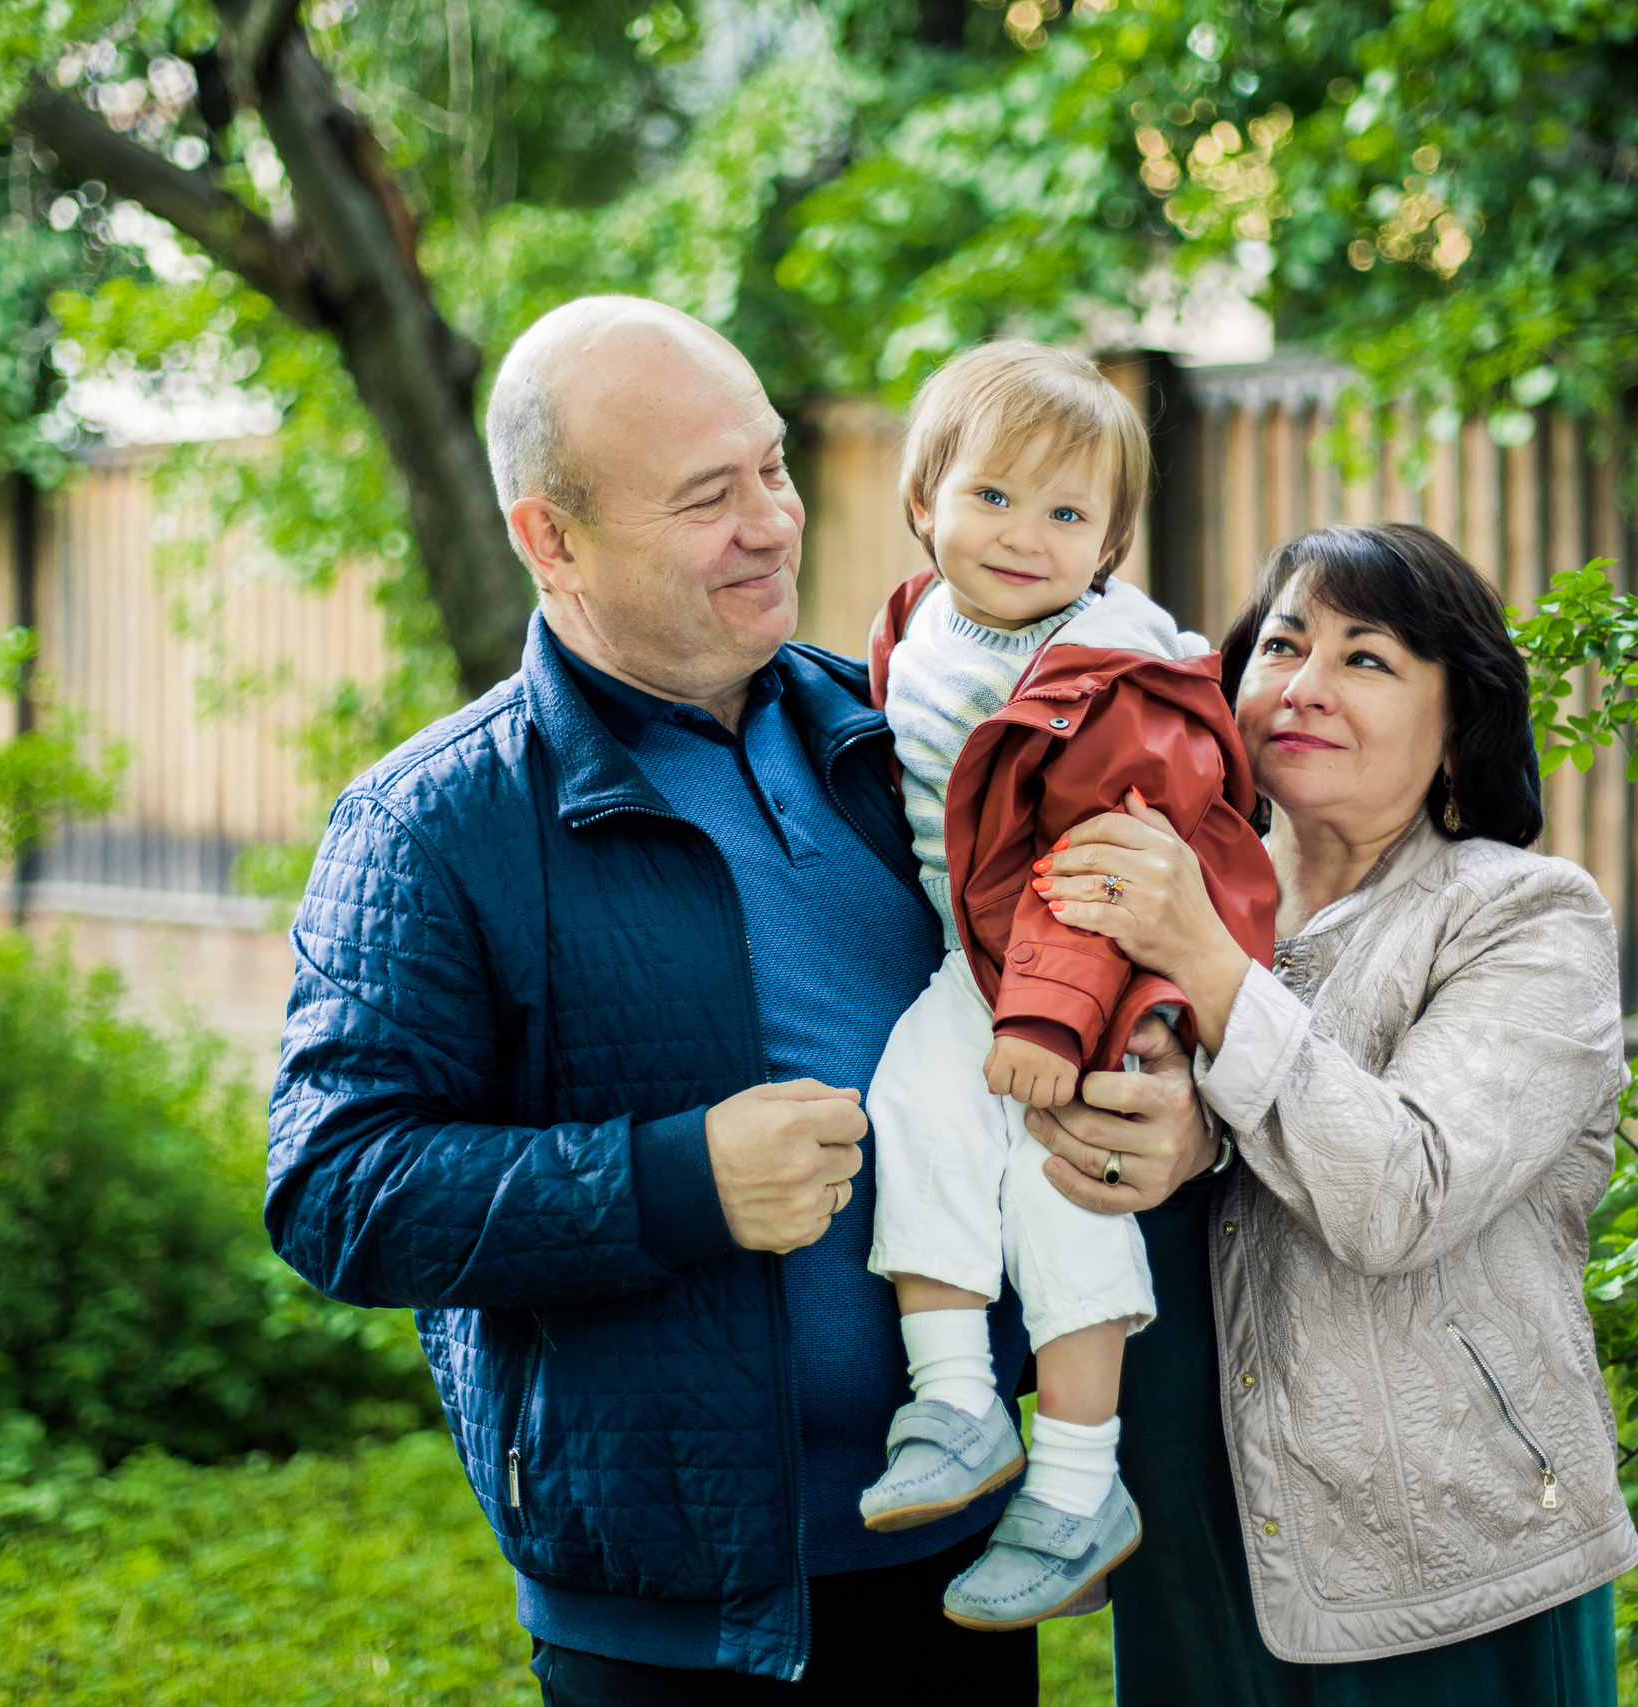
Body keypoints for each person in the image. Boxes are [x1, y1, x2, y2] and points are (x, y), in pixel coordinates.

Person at [261, 296, 1214, 1705]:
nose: (773, 520)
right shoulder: (428, 823)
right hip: (676, 1615)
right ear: (552, 537)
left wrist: (1170, 1104)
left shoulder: (900, 732)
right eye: (709, 495)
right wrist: (671, 1178)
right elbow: (334, 1187)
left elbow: (1088, 958)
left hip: (953, 1566)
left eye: (771, 467)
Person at [1032, 522, 1638, 1703]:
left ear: (1456, 720)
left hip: (1438, 1552)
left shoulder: (1524, 915)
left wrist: (1204, 964)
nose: (1303, 687)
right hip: (1189, 1520)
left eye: (1366, 660)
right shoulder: (1171, 885)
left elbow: (1400, 1196)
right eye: (1282, 646)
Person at [848, 342, 1277, 1633]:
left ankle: (1083, 1482)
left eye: (1067, 513)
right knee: (912, 1103)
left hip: (1090, 972)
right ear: (925, 496)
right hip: (975, 959)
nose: (1025, 535)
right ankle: (956, 1404)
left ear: (1111, 544)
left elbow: (1105, 865)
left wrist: (1053, 1012)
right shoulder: (922, 619)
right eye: (992, 496)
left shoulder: (1114, 675)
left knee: (1063, 1180)